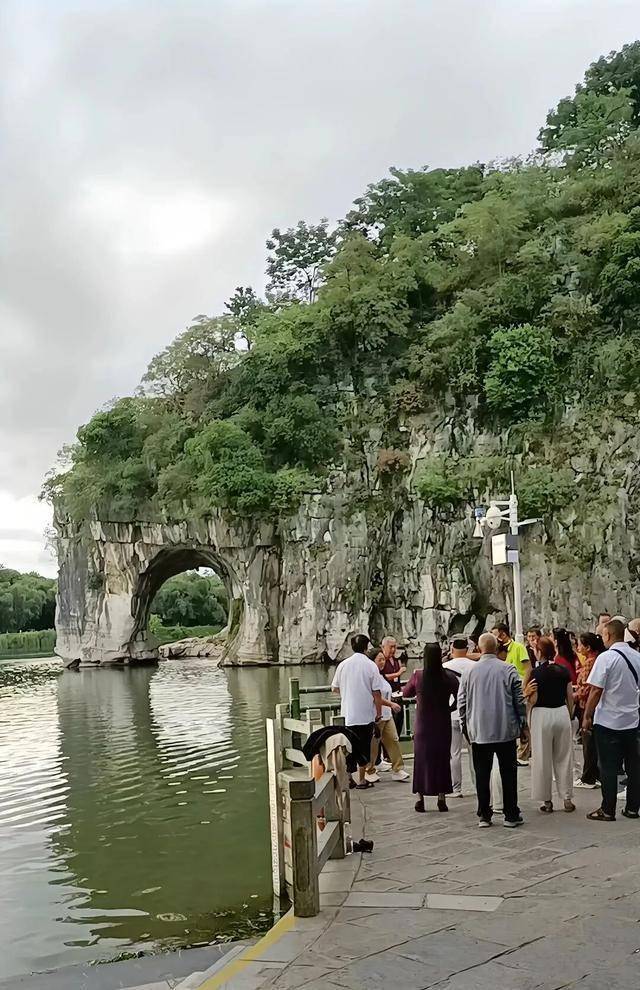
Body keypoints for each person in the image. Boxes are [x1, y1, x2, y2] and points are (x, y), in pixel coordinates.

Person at [458, 632, 526, 828]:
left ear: (479, 649)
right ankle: (511, 814)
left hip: (479, 730)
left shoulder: (469, 672)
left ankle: (484, 815)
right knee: (508, 773)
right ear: (496, 648)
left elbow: (462, 702)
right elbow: (519, 700)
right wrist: (522, 723)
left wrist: (465, 725)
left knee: (482, 773)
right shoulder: (509, 669)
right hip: (505, 729)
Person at [583, 618, 640, 821]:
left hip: (608, 721)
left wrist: (587, 715)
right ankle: (633, 808)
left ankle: (608, 809)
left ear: (607, 635)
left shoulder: (606, 658)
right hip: (632, 720)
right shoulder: (637, 657)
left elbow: (596, 690)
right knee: (634, 766)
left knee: (607, 766)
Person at [403, 643, 458, 813]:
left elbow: (406, 693)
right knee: (442, 759)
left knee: (421, 760)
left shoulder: (418, 676)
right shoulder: (449, 676)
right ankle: (441, 798)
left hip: (423, 724)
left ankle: (420, 799)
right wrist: (450, 708)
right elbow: (459, 696)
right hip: (442, 723)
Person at [525, 636, 575, 813]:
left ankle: (547, 800)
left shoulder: (535, 673)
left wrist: (526, 696)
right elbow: (570, 696)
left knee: (542, 758)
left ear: (539, 652)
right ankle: (567, 798)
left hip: (542, 714)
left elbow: (533, 698)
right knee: (564, 756)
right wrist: (569, 714)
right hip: (561, 712)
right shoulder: (563, 671)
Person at [331, 634, 382, 789]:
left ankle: (348, 777)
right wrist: (378, 713)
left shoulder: (343, 665)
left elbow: (334, 688)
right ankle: (361, 779)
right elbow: (377, 693)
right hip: (365, 714)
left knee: (349, 746)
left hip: (348, 713)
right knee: (364, 747)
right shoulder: (370, 665)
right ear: (366, 647)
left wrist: (347, 693)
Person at [365, 653, 410, 783]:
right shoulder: (370, 677)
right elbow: (375, 696)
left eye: (383, 659)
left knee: (393, 740)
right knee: (374, 744)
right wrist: (391, 704)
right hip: (376, 715)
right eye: (379, 660)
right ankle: (369, 770)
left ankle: (398, 769)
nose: (382, 662)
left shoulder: (382, 676)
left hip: (387, 715)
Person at [492, 622, 531, 765]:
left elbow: (528, 668)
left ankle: (523, 754)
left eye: (495, 635)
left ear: (503, 634)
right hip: (505, 688)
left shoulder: (518, 647)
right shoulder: (497, 650)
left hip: (518, 686)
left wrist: (523, 687)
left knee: (523, 719)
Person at [443, 637, 477, 797]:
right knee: (474, 753)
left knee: (454, 753)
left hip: (451, 713)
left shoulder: (444, 667)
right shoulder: (476, 666)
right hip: (471, 714)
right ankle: (478, 786)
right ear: (467, 650)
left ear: (452, 650)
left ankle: (455, 788)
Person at [574, 632, 604, 789]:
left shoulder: (589, 663)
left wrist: (574, 695)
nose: (578, 648)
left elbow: (586, 688)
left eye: (580, 645)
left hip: (586, 705)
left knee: (589, 743)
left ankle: (588, 777)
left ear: (588, 647)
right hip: (596, 706)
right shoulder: (598, 660)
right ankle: (594, 774)